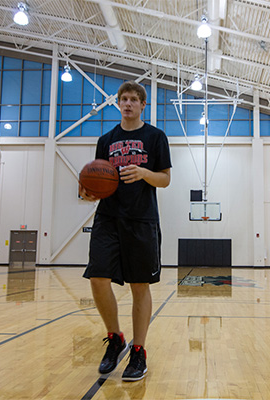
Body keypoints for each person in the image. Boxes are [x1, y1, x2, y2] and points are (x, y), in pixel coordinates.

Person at [81, 81, 172, 381]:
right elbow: (98, 182)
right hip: (108, 217)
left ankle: (139, 351)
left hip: (142, 219)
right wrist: (90, 192)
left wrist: (145, 173)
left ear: (143, 105)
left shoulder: (156, 137)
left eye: (134, 99)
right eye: (124, 99)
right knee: (97, 278)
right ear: (118, 103)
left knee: (139, 286)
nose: (128, 104)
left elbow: (165, 180)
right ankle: (115, 338)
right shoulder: (106, 140)